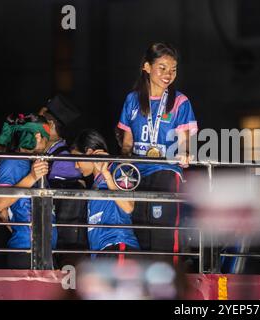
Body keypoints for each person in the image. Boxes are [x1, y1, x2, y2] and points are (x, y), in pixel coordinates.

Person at [116, 42, 198, 265]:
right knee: (139, 228)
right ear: (146, 67)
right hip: (136, 174)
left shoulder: (180, 101)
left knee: (163, 234)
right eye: (162, 68)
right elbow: (127, 143)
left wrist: (185, 153)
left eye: (173, 69)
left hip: (166, 172)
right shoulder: (132, 100)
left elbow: (184, 143)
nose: (168, 74)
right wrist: (122, 165)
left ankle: (168, 283)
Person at [0, 113, 58, 269]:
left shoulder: (29, 162)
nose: (47, 145)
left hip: (42, 249)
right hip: (26, 251)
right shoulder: (12, 162)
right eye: (46, 139)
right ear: (37, 136)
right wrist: (32, 176)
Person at [71, 129, 140, 264]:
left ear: (90, 153)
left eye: (77, 159)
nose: (75, 165)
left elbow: (128, 207)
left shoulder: (120, 169)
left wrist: (107, 174)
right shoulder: (94, 183)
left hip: (118, 248)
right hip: (102, 254)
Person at [38, 95, 88, 268]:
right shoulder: (52, 154)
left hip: (63, 243)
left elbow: (69, 208)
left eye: (40, 121)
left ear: (51, 125)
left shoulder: (64, 160)